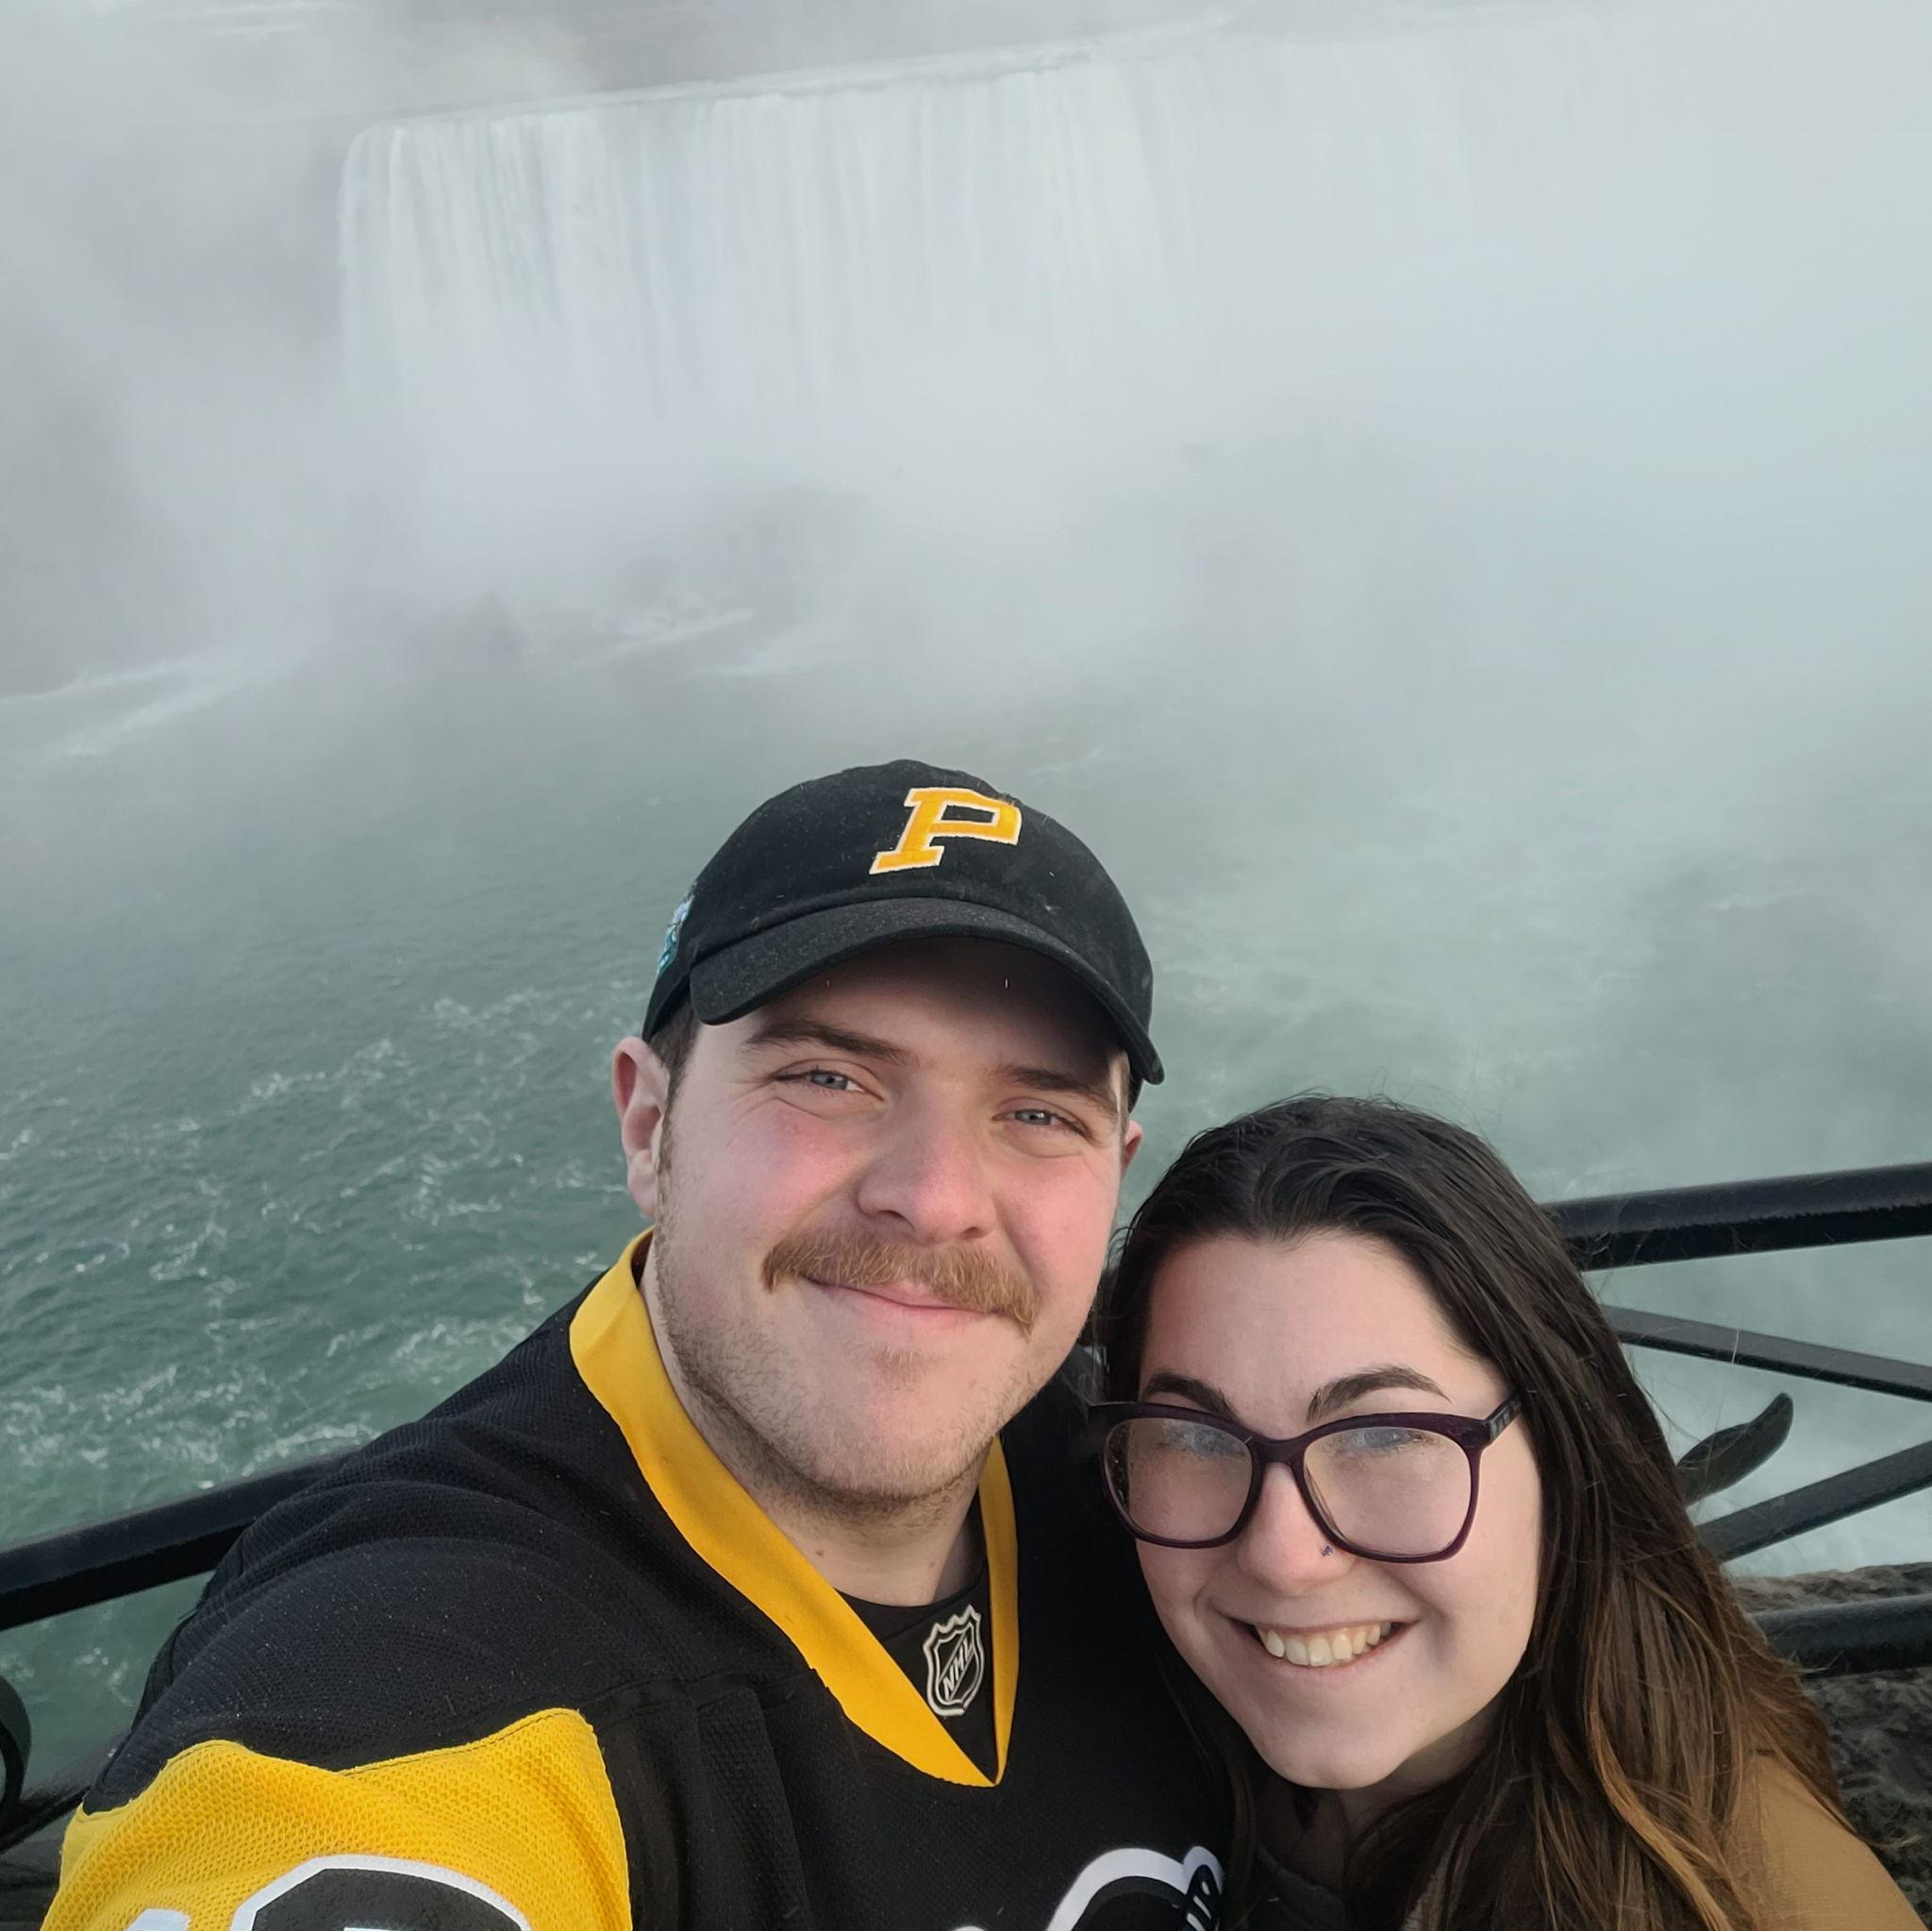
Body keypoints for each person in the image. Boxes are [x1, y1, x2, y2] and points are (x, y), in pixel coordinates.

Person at [46, 761, 1224, 1931]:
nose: (934, 1197)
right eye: (828, 1076)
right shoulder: (419, 1672)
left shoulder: (1192, 1503)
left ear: (1113, 1170)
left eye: (1035, 1114)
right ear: (648, 1121)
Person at [1090, 1094, 1924, 1931]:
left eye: (1386, 1434)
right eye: (1195, 1437)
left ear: (1564, 1455)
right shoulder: (1098, 1679)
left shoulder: (1756, 1902)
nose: (1280, 1553)